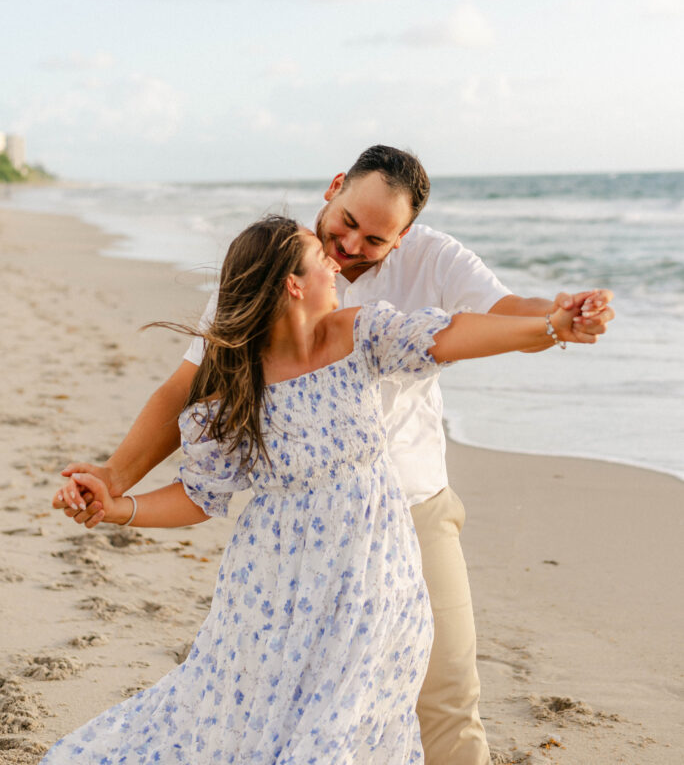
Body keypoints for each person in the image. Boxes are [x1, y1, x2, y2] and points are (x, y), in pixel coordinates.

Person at [58, 147, 614, 765]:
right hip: (288, 554)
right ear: (334, 188)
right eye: (343, 224)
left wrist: (558, 320)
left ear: (402, 240)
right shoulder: (266, 273)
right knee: (281, 705)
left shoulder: (383, 309)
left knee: (444, 695)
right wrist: (115, 482)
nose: (347, 246)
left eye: (375, 239)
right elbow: (188, 399)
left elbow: (484, 319)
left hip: (406, 515)